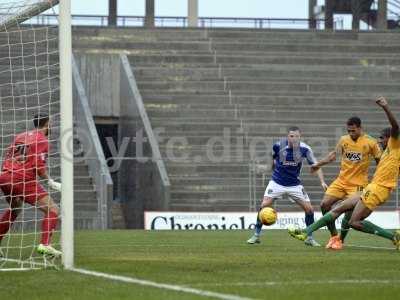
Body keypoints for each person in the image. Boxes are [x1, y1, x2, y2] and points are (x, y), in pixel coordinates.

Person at [288, 97, 400, 249]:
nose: (380, 141)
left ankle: (393, 237)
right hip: (368, 186)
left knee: (353, 220)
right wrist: (318, 164)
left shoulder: (391, 145)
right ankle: (307, 232)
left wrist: (386, 107)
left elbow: (395, 127)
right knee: (335, 208)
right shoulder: (384, 149)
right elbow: (334, 155)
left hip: (375, 188)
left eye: (382, 138)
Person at [247, 126, 328, 247]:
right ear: (287, 137)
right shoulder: (278, 146)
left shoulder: (305, 149)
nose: (294, 138)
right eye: (291, 136)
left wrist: (322, 181)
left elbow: (316, 166)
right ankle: (256, 235)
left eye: (297, 136)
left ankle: (309, 238)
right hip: (277, 182)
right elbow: (273, 162)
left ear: (300, 137)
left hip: (294, 184)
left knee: (309, 210)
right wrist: (265, 168)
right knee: (264, 205)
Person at [310, 116, 381, 250]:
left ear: (360, 128)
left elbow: (380, 162)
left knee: (348, 212)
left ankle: (341, 240)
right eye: (349, 131)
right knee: (324, 204)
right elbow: (333, 156)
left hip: (358, 184)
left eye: (353, 131)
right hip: (341, 181)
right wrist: (317, 165)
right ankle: (334, 236)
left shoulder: (371, 142)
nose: (351, 133)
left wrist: (379, 181)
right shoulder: (344, 140)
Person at [0, 113, 62, 257]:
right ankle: (45, 244)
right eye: (50, 123)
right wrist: (50, 181)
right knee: (53, 209)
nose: (51, 125)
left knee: (14, 210)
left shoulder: (20, 136)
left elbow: (8, 155)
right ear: (47, 124)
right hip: (21, 178)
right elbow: (38, 165)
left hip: (4, 176)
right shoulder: (42, 140)